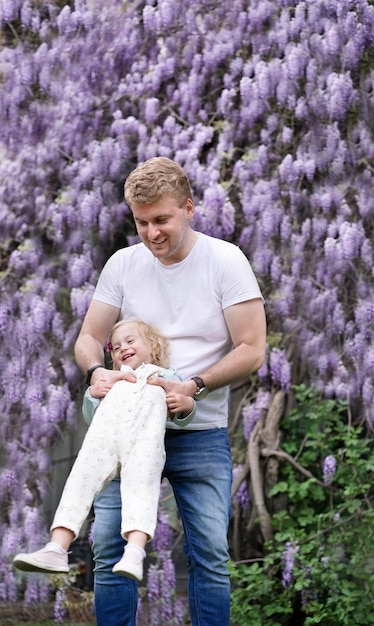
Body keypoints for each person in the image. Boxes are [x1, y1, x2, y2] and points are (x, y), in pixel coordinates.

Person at [73, 156, 266, 626]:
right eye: (141, 222)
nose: (152, 232)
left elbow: (252, 348)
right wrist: (96, 372)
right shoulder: (123, 264)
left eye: (162, 219)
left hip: (197, 430)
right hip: (128, 429)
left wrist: (193, 386)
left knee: (210, 558)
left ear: (189, 208)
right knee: (112, 550)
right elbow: (87, 338)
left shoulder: (225, 261)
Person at [13, 319, 195, 582]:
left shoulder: (166, 377)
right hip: (103, 443)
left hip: (143, 444)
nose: (122, 349)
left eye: (130, 341)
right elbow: (91, 415)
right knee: (78, 483)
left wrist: (186, 404)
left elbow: (183, 411)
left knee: (141, 489)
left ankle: (134, 552)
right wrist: (93, 392)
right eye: (115, 347)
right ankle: (57, 548)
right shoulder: (111, 380)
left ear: (153, 346)